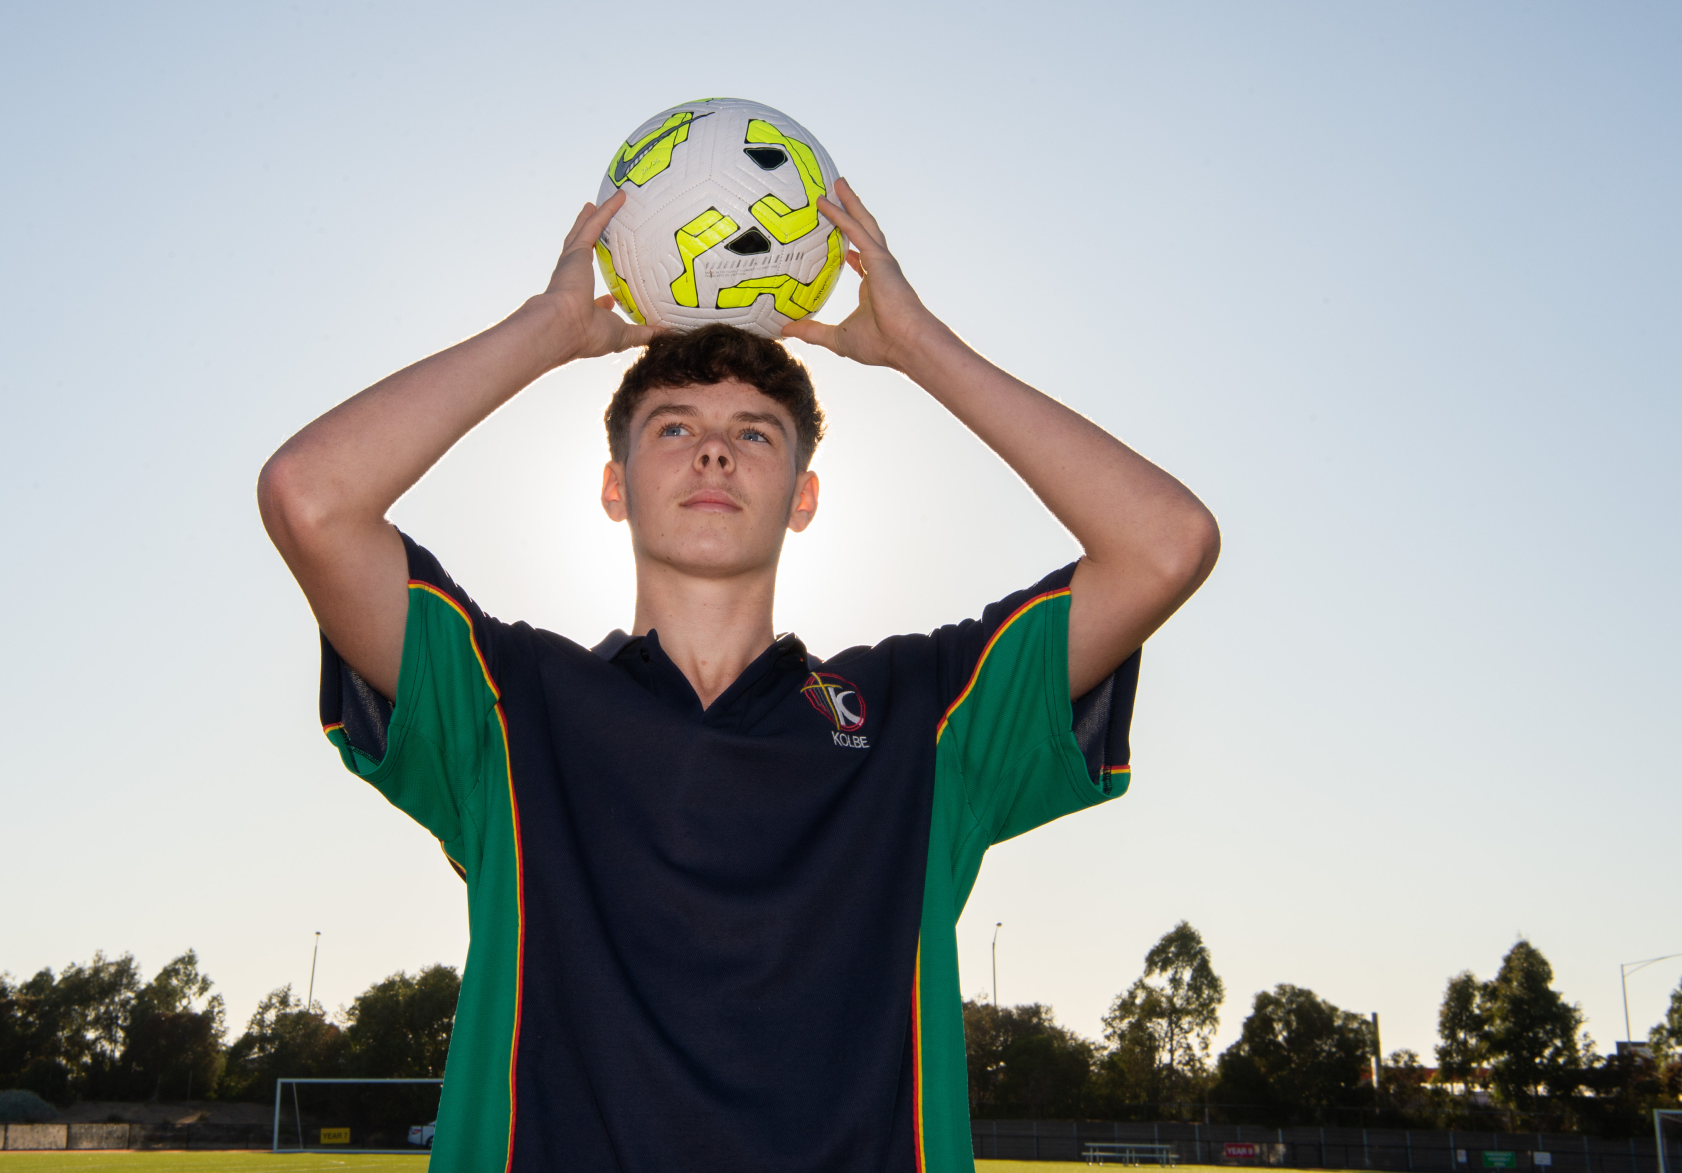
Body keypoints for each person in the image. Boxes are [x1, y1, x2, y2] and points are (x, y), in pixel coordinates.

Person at [257, 181, 1219, 1173]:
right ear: (613, 486)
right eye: (672, 427)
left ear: (803, 497)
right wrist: (546, 330)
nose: (714, 448)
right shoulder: (511, 706)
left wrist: (921, 345)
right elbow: (309, 497)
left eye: (755, 433)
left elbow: (1167, 543)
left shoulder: (919, 717)